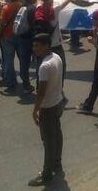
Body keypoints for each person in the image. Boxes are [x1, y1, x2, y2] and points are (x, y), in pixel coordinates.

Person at [29, 33, 65, 187]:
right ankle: (57, 162)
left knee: (48, 140)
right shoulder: (56, 57)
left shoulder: (44, 66)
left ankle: (46, 173)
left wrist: (35, 110)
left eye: (38, 46)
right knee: (56, 135)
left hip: (48, 107)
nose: (35, 49)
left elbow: (42, 92)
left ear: (46, 46)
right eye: (34, 45)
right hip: (57, 102)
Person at [0, 0, 22, 94]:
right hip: (20, 35)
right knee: (22, 58)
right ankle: (24, 80)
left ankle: (10, 81)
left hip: (7, 35)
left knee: (8, 59)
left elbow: (2, 23)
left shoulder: (6, 8)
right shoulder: (21, 6)